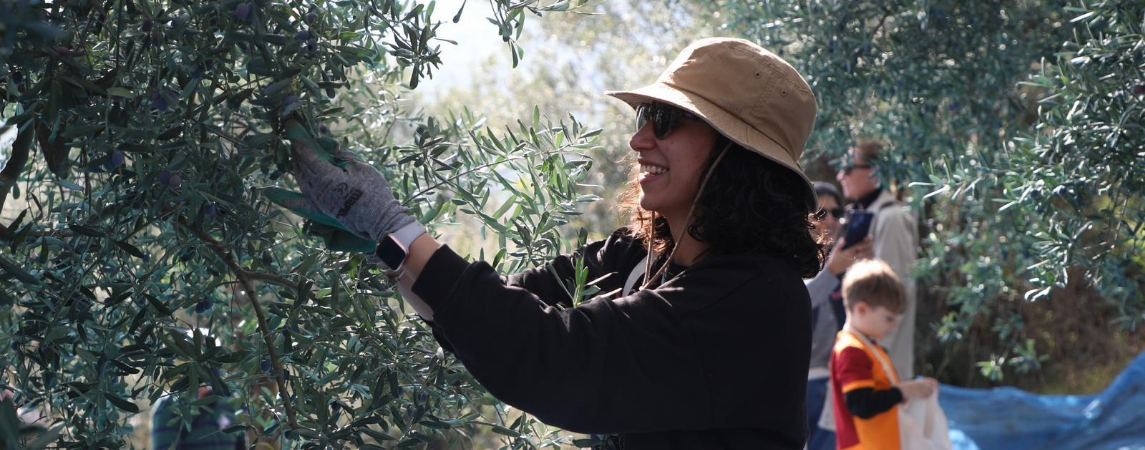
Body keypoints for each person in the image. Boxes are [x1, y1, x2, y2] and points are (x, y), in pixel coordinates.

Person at [287, 38, 824, 449]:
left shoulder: (758, 302)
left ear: (736, 156)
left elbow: (556, 359)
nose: (638, 139)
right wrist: (384, 240)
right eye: (644, 117)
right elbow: (491, 316)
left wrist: (391, 224)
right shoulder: (636, 255)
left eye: (665, 121)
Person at [830, 260, 937, 450]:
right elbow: (862, 405)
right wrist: (904, 391)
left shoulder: (869, 347)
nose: (893, 326)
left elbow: (882, 391)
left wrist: (913, 388)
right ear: (862, 309)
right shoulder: (852, 350)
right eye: (889, 318)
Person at [835, 142, 919, 379]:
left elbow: (894, 293)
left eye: (848, 168)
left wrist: (871, 357)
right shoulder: (863, 214)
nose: (841, 176)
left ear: (874, 172)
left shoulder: (891, 218)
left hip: (878, 367)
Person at [804, 182, 873, 450]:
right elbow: (798, 303)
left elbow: (873, 315)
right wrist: (831, 272)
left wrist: (868, 265)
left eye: (837, 213)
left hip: (844, 381)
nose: (831, 221)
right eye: (821, 214)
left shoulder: (846, 262)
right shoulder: (793, 261)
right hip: (808, 383)